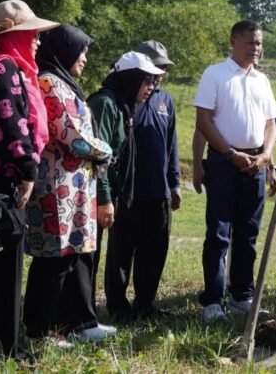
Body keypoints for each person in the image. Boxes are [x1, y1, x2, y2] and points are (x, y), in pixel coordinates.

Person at [23, 25, 115, 346]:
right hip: (54, 190)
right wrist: (106, 150)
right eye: (82, 50)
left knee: (74, 257)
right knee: (53, 261)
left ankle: (79, 322)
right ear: (63, 50)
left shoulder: (64, 83)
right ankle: (39, 331)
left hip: (74, 189)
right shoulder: (49, 83)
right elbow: (72, 138)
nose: (85, 58)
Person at [0, 0, 57, 358]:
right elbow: (15, 128)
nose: (38, 41)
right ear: (13, 34)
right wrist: (28, 171)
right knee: (7, 272)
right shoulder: (5, 70)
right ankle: (8, 349)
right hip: (4, 183)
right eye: (32, 33)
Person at [193, 20, 276, 324]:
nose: (255, 48)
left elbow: (271, 123)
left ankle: (242, 295)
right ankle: (213, 300)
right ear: (233, 42)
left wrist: (267, 155)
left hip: (256, 164)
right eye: (249, 42)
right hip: (223, 162)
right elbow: (203, 120)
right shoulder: (215, 74)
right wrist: (230, 154)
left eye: (258, 43)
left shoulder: (262, 80)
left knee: (249, 233)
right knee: (219, 233)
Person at [101, 40, 181, 321]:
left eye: (164, 68)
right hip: (127, 192)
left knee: (154, 252)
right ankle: (117, 306)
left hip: (157, 190)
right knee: (121, 252)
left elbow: (171, 145)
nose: (162, 74)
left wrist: (174, 184)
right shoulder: (124, 98)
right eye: (157, 67)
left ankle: (145, 305)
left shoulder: (164, 100)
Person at [87, 52, 164, 321]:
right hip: (91, 193)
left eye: (155, 82)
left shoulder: (122, 104)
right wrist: (105, 198)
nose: (151, 88)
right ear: (131, 79)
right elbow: (99, 157)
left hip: (113, 191)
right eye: (147, 81)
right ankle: (78, 316)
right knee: (87, 256)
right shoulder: (105, 103)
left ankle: (84, 315)